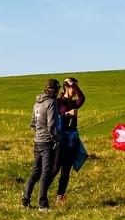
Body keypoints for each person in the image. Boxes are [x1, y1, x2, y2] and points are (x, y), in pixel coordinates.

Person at [22, 78, 61, 211]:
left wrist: (39, 133)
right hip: (47, 142)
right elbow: (52, 124)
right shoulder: (51, 103)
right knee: (46, 173)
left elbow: (33, 123)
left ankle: (25, 200)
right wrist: (56, 138)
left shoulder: (37, 103)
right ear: (55, 89)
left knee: (35, 172)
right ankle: (42, 204)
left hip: (37, 141)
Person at [54, 77, 87, 205]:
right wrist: (68, 114)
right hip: (61, 139)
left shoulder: (74, 103)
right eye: (73, 87)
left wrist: (75, 85)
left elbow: (82, 98)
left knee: (66, 169)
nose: (75, 90)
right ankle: (43, 193)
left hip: (72, 140)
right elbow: (56, 118)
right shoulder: (58, 102)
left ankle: (60, 196)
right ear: (66, 88)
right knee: (55, 168)